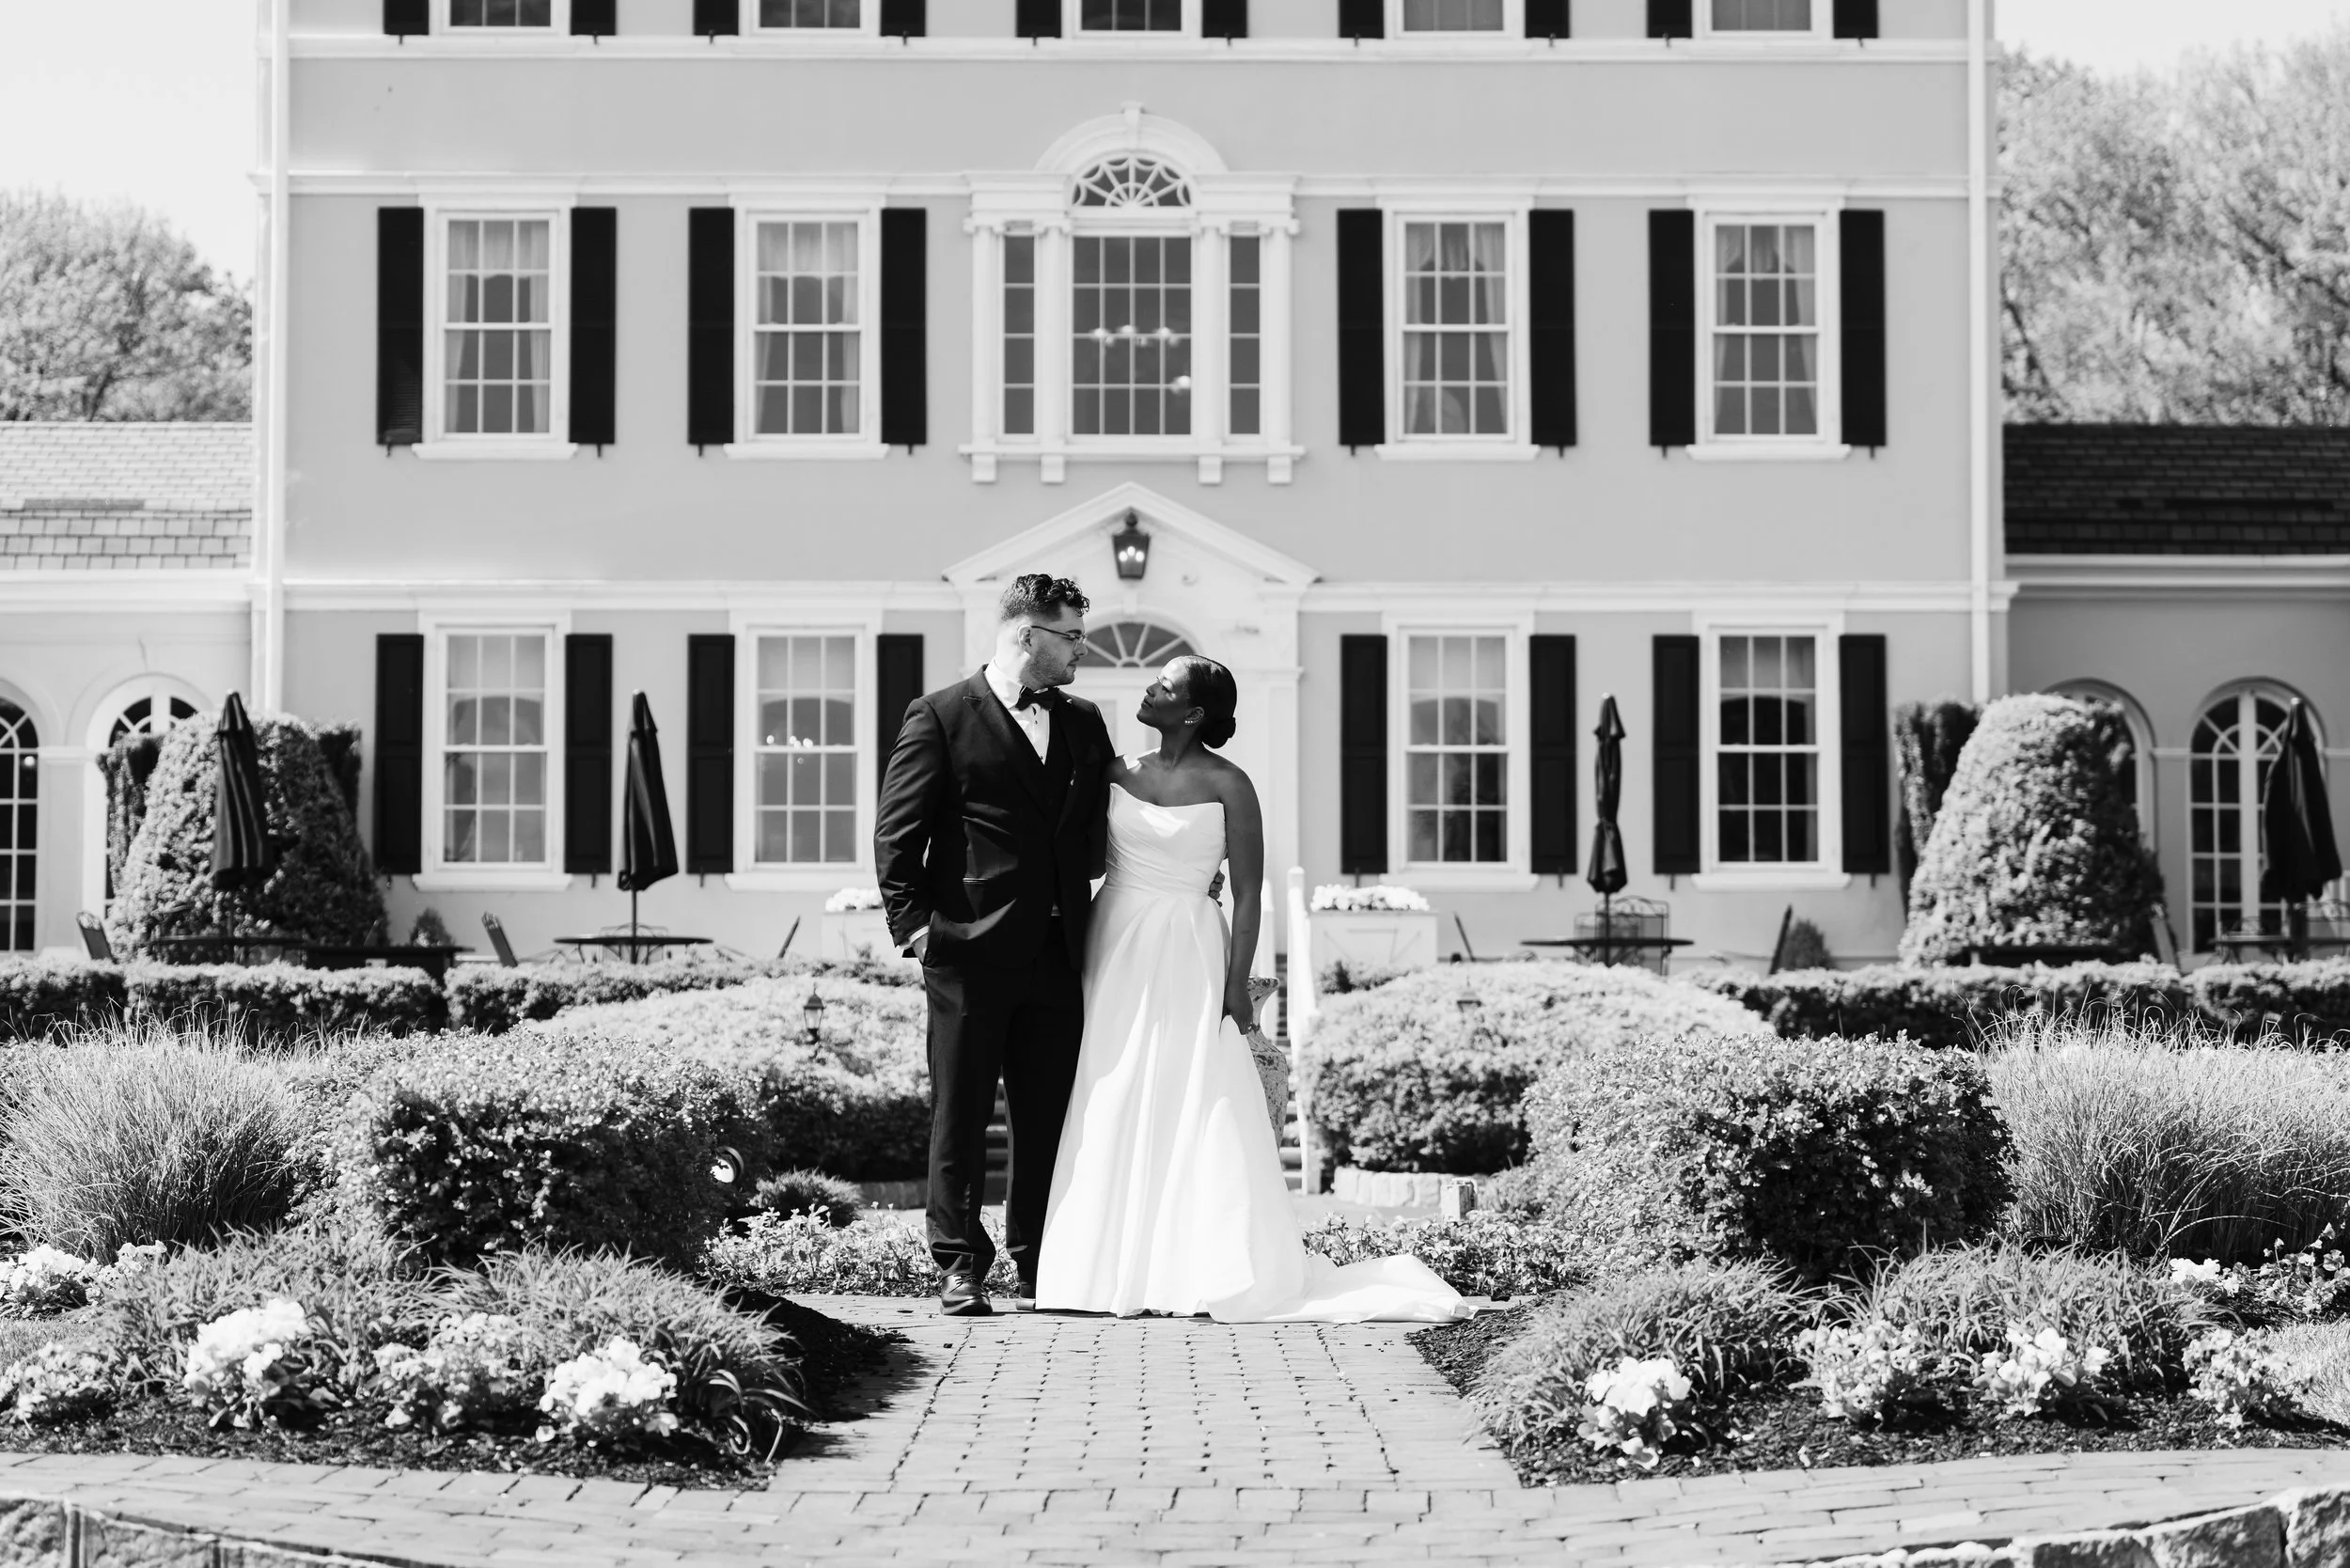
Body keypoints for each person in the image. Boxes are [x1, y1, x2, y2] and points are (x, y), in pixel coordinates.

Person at [1035, 654, 1470, 1324]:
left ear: (1193, 713)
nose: (1149, 687)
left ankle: (1186, 1268)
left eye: (1164, 685)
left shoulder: (1231, 785)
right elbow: (1083, 854)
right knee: (1108, 1087)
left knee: (1189, 1091)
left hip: (1189, 946)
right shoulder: (1116, 772)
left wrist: (1236, 982)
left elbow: (1247, 892)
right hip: (1112, 939)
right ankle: (1095, 1270)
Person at [873, 573, 1114, 1317]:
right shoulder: (941, 715)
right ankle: (958, 1263)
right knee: (962, 1113)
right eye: (1070, 636)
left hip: (1060, 953)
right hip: (967, 953)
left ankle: (1040, 1260)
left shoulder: (1084, 723)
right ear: (1026, 635)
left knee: (1049, 1118)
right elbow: (897, 837)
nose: (1081, 649)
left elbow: (1100, 829)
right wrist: (921, 934)